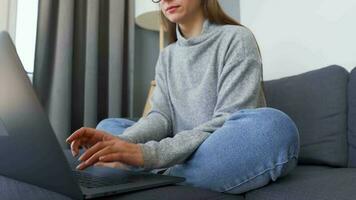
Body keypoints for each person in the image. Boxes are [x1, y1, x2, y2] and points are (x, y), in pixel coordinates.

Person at [66, 0, 300, 194]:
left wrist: (148, 154)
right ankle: (155, 172)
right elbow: (161, 117)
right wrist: (122, 142)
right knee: (110, 126)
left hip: (212, 148)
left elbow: (227, 120)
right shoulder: (167, 56)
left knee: (275, 128)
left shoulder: (236, 39)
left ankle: (154, 173)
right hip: (179, 148)